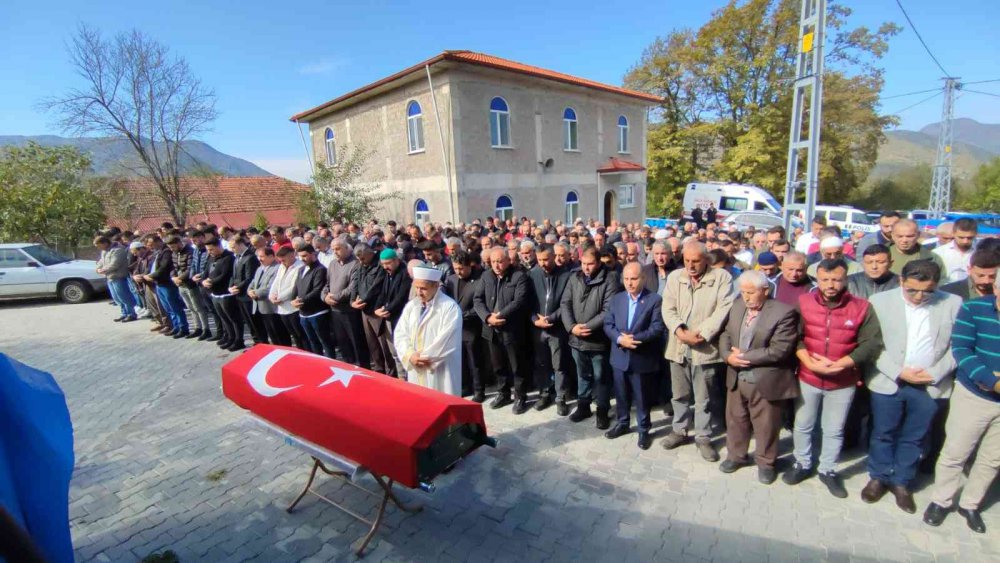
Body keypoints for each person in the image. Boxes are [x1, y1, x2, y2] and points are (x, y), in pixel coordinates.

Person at [861, 260, 961, 513]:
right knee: (883, 432)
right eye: (912, 290)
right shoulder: (880, 302)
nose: (919, 296)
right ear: (901, 281)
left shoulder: (952, 303)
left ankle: (902, 481)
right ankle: (878, 476)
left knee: (915, 437)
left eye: (927, 291)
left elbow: (958, 346)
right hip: (890, 380)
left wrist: (934, 373)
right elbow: (872, 344)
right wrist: (899, 371)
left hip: (929, 384)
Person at [784, 258, 882, 498]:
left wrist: (842, 364)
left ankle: (828, 469)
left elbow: (871, 343)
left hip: (843, 380)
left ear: (846, 279)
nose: (830, 285)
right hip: (809, 376)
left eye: (836, 279)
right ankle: (802, 462)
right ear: (817, 279)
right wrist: (808, 362)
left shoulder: (862, 307)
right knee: (803, 424)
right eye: (825, 279)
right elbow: (794, 336)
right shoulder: (804, 302)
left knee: (834, 429)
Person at [923, 276, 1000, 534]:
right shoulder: (973, 309)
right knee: (956, 452)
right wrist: (991, 381)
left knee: (993, 458)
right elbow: (962, 349)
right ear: (996, 288)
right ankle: (941, 501)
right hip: (974, 396)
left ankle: (970, 504)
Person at [718, 271, 799, 484]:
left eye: (751, 292)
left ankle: (766, 463)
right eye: (743, 292)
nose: (746, 297)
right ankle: (736, 456)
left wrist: (743, 357)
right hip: (736, 376)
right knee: (736, 419)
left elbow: (779, 350)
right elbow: (726, 334)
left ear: (765, 290)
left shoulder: (784, 312)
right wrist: (727, 356)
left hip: (765, 378)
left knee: (766, 424)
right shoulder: (738, 306)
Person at [660, 240, 735, 461]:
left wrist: (701, 333)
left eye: (695, 261)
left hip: (705, 348)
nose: (690, 266)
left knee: (704, 398)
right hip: (678, 345)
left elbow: (723, 309)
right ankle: (679, 429)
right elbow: (668, 307)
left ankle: (703, 437)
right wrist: (680, 331)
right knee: (679, 393)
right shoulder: (675, 277)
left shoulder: (721, 278)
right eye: (687, 261)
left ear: (706, 260)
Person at [603, 262, 665, 450]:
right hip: (620, 356)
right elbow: (608, 324)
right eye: (626, 279)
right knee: (621, 394)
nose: (629, 283)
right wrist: (620, 339)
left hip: (641, 357)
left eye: (634, 279)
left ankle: (644, 429)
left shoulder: (654, 300)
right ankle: (622, 423)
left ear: (643, 279)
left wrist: (634, 339)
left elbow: (657, 328)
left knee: (642, 397)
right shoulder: (617, 299)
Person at [561, 246, 619, 429]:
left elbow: (608, 310)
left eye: (590, 264)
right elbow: (565, 303)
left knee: (601, 377)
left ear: (599, 262)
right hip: (576, 339)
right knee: (582, 375)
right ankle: (583, 406)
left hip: (597, 340)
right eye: (584, 263)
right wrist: (572, 327)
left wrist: (586, 327)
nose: (586, 267)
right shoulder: (574, 277)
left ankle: (602, 410)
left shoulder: (610, 279)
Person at [474, 248, 531, 414]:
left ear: (508, 261)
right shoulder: (486, 276)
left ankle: (520, 396)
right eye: (493, 262)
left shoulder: (519, 276)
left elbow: (519, 301)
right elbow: (478, 299)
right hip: (491, 329)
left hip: (511, 328)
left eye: (499, 261)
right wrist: (487, 317)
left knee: (517, 365)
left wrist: (499, 315)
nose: (496, 265)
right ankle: (503, 393)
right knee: (498, 364)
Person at [394, 266, 463, 394]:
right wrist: (410, 355)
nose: (419, 292)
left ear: (436, 286)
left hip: (440, 368)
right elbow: (400, 333)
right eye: (416, 288)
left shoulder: (449, 308)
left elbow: (447, 341)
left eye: (423, 288)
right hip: (415, 366)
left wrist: (424, 358)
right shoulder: (411, 306)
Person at [527, 244, 571, 413]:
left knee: (559, 364)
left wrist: (551, 318)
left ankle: (560, 397)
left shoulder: (566, 276)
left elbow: (566, 303)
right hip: (538, 328)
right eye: (539, 260)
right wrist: (534, 319)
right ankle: (544, 394)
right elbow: (528, 301)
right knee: (541, 362)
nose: (542, 263)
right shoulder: (533, 275)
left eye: (546, 259)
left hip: (557, 328)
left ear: (553, 257)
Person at [444, 250, 486, 401]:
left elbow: (481, 304)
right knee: (459, 360)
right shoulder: (451, 280)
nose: (458, 271)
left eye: (461, 268)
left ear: (469, 266)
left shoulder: (480, 280)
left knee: (475, 361)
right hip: (455, 329)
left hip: (472, 327)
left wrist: (465, 314)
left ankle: (479, 390)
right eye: (456, 268)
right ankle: (464, 386)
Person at [323, 237, 368, 367]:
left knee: (356, 343)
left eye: (338, 249)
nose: (335, 252)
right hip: (335, 311)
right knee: (343, 343)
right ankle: (348, 367)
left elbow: (352, 288)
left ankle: (362, 368)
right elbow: (327, 285)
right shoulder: (332, 264)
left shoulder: (355, 263)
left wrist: (334, 298)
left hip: (350, 311)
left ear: (347, 248)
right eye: (333, 249)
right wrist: (324, 297)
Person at [372, 248, 412, 376]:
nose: (385, 267)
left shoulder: (404, 273)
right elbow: (383, 293)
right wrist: (377, 308)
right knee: (394, 353)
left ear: (396, 261)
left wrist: (386, 310)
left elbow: (401, 297)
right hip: (388, 317)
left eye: (388, 263)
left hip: (399, 318)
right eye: (383, 264)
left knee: (402, 352)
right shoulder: (388, 273)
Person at [292, 244, 335, 358]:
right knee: (313, 341)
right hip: (303, 313)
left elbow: (317, 290)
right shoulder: (301, 269)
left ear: (313, 254)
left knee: (325, 341)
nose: (302, 259)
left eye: (304, 256)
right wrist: (294, 299)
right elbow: (297, 287)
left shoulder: (320, 270)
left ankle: (330, 363)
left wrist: (301, 300)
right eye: (300, 256)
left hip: (318, 312)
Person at [352, 244, 389, 373]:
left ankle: (390, 372)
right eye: (359, 259)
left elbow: (376, 286)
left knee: (383, 344)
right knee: (372, 343)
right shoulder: (360, 265)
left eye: (363, 258)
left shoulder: (379, 265)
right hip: (364, 310)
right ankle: (378, 369)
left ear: (370, 253)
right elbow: (355, 282)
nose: (361, 261)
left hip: (376, 309)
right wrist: (353, 300)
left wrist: (363, 300)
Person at [144, 235, 188, 338]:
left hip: (167, 283)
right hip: (159, 283)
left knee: (175, 307)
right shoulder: (158, 252)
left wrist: (151, 276)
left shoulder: (166, 252)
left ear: (158, 241)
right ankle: (176, 327)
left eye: (152, 244)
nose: (151, 246)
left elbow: (164, 268)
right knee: (168, 308)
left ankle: (183, 328)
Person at [166, 235, 208, 339]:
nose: (172, 249)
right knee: (190, 307)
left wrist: (180, 278)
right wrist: (173, 277)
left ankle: (205, 329)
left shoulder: (189, 251)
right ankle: (197, 327)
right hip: (180, 284)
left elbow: (190, 268)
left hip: (190, 283)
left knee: (198, 307)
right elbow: (173, 267)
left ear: (179, 243)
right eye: (170, 247)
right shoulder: (174, 253)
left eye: (173, 247)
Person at [269, 246, 308, 351]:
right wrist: (272, 295)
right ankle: (299, 352)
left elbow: (294, 287)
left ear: (292, 256)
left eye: (284, 260)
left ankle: (305, 352)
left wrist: (279, 297)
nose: (282, 263)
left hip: (293, 307)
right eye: (280, 261)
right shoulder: (282, 266)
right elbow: (276, 282)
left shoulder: (300, 267)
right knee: (293, 334)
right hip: (282, 307)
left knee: (301, 335)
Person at [203, 238, 240, 349]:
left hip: (226, 293)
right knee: (223, 318)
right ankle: (229, 336)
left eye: (211, 249)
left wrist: (210, 282)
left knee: (233, 319)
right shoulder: (211, 257)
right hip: (214, 293)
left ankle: (238, 340)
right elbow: (206, 271)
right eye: (208, 250)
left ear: (219, 246)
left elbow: (225, 275)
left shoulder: (229, 257)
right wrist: (203, 281)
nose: (209, 252)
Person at [229, 236, 266, 345]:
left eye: (233, 247)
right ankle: (256, 341)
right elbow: (234, 275)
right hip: (239, 295)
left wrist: (237, 287)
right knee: (248, 321)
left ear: (241, 244)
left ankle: (261, 342)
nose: (232, 250)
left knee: (255, 321)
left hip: (247, 295)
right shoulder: (237, 257)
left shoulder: (250, 257)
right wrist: (230, 287)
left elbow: (249, 278)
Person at [247, 246, 285, 345]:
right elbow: (253, 282)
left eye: (262, 256)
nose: (259, 259)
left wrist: (255, 293)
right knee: (271, 333)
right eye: (258, 256)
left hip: (271, 307)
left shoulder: (277, 268)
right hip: (259, 306)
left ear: (271, 256)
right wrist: (249, 291)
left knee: (278, 333)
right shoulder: (260, 268)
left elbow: (271, 287)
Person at [94, 236, 137, 323]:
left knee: (124, 296)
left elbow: (115, 264)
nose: (98, 248)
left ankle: (131, 314)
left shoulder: (118, 250)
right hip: (109, 277)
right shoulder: (105, 251)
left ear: (105, 243)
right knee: (117, 298)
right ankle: (124, 313)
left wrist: (103, 270)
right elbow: (101, 262)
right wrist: (98, 268)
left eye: (99, 245)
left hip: (119, 276)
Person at [933, 217, 978, 283]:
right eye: (961, 237)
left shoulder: (982, 252)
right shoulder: (938, 253)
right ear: (953, 234)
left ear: (976, 234)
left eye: (969, 238)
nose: (965, 241)